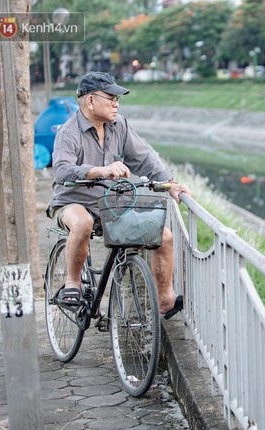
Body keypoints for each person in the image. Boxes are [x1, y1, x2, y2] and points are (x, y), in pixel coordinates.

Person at [47, 71, 191, 319]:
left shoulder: (119, 125)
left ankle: (165, 299)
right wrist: (100, 171)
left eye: (118, 98)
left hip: (111, 203)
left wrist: (170, 183)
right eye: (110, 97)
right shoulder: (68, 132)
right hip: (73, 201)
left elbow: (143, 158)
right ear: (90, 100)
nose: (116, 103)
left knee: (163, 236)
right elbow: (61, 170)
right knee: (82, 223)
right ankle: (73, 285)